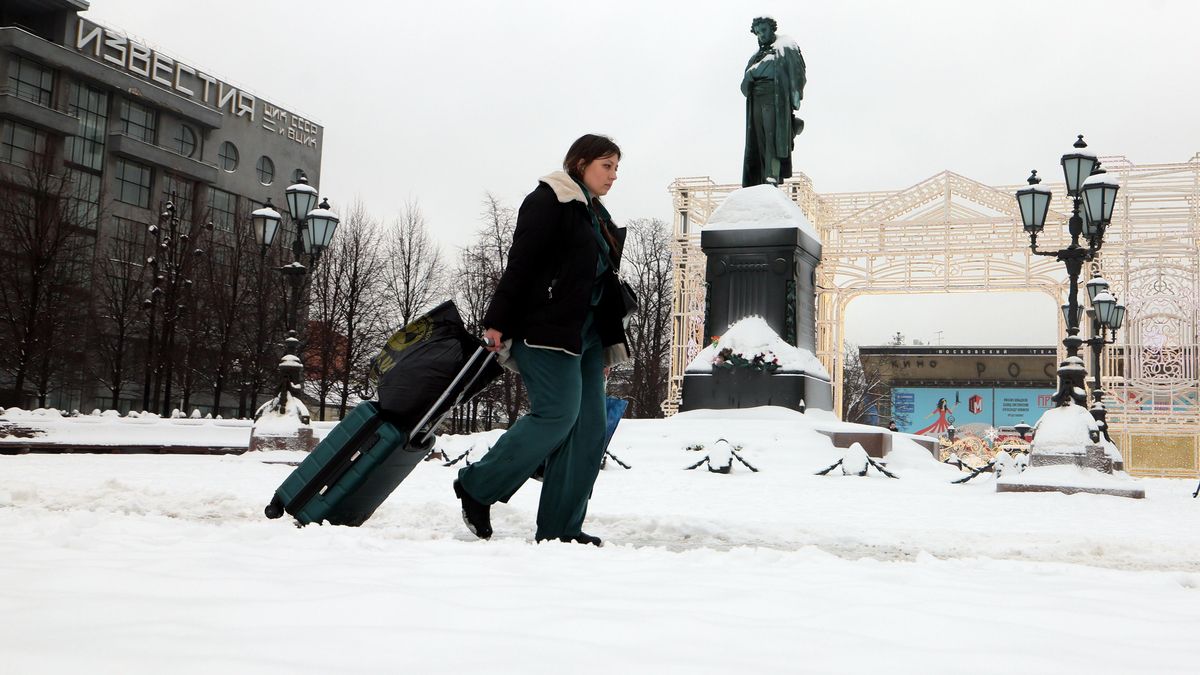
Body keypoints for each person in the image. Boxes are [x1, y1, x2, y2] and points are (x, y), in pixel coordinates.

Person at [452, 134, 630, 547]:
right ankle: (478, 485)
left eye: (617, 168)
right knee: (557, 415)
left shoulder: (593, 213)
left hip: (583, 336)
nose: (614, 175)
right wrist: (496, 320)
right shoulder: (550, 199)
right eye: (607, 165)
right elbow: (523, 262)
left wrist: (602, 343)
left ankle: (560, 529)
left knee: (587, 430)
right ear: (580, 162)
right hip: (544, 329)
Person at [741, 15, 806, 187]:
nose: (761, 35)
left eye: (763, 30)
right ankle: (762, 177)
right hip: (756, 98)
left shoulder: (785, 45)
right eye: (757, 32)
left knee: (772, 137)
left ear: (772, 28)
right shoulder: (755, 56)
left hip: (774, 98)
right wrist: (751, 74)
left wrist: (795, 96)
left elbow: (798, 73)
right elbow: (744, 86)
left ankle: (771, 176)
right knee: (759, 138)